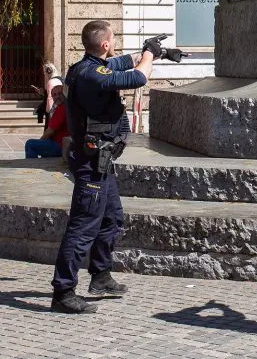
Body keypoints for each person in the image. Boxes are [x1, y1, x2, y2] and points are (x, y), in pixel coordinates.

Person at [50, 21, 187, 314]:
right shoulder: (92, 76)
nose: (114, 44)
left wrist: (158, 52)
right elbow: (138, 77)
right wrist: (148, 55)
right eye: (113, 39)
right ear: (104, 44)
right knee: (83, 226)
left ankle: (100, 276)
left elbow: (122, 63)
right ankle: (63, 291)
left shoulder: (86, 67)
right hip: (91, 164)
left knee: (111, 219)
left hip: (102, 161)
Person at [25, 84, 68, 158]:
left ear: (64, 93)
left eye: (60, 93)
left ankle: (32, 166)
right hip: (63, 143)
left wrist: (41, 141)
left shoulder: (61, 108)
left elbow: (50, 131)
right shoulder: (65, 106)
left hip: (60, 145)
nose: (57, 96)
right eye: (54, 95)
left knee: (30, 144)